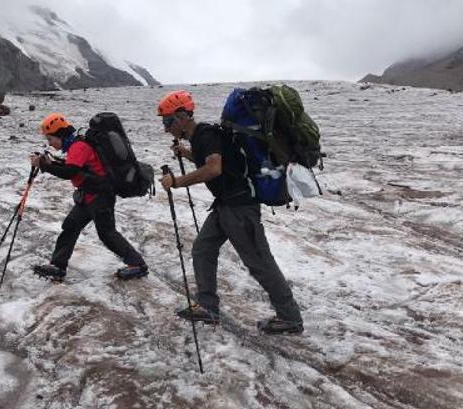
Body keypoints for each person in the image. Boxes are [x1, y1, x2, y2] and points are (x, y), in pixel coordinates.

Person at [156, 90, 304, 335]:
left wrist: (177, 181)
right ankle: (207, 305)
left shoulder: (205, 134)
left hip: (239, 208)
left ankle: (290, 317)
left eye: (168, 121)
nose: (166, 128)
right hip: (226, 206)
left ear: (182, 116)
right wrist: (187, 153)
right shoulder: (202, 137)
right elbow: (215, 161)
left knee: (259, 263)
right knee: (203, 249)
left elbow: (213, 168)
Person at [30, 113, 148, 281]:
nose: (50, 143)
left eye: (50, 139)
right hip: (88, 196)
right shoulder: (75, 146)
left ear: (60, 135)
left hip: (100, 196)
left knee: (107, 233)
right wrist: (49, 163)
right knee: (70, 226)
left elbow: (70, 171)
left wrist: (44, 165)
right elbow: (73, 167)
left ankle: (138, 264)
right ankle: (58, 265)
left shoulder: (79, 146)